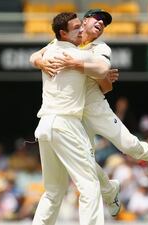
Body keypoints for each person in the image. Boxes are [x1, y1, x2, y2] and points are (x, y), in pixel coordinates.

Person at [29, 9, 148, 217]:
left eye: (105, 23)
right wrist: (40, 62)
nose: (101, 24)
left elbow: (106, 86)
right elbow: (35, 56)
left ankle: (147, 153)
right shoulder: (68, 39)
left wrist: (84, 68)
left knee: (127, 144)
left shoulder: (100, 47)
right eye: (98, 19)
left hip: (93, 106)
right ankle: (109, 190)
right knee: (87, 162)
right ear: (84, 22)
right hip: (72, 113)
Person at [33, 12, 107, 225]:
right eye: (76, 28)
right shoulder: (77, 54)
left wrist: (38, 61)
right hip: (66, 123)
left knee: (53, 190)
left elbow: (33, 57)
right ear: (63, 33)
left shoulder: (49, 52)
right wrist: (79, 64)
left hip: (46, 124)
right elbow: (102, 69)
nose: (82, 30)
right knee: (89, 185)